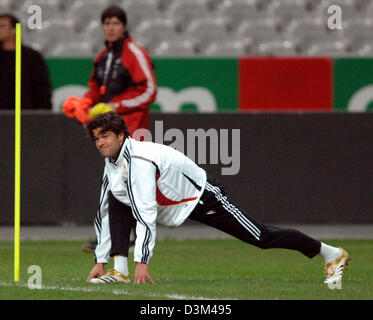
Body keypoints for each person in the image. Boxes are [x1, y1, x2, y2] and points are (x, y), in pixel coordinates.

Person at [85, 112, 351, 286]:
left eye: (105, 136)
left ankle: (332, 253)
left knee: (261, 237)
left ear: (121, 135)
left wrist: (143, 262)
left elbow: (145, 213)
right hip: (174, 202)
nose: (100, 143)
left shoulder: (139, 160)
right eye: (96, 138)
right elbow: (103, 210)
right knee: (117, 199)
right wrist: (101, 259)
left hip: (203, 196)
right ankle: (119, 271)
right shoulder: (114, 161)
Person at [62, 5, 157, 254]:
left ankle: (131, 237)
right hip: (111, 132)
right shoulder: (103, 58)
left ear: (124, 26)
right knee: (117, 184)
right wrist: (83, 103)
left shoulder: (134, 53)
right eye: (107, 23)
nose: (111, 27)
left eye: (115, 23)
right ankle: (114, 238)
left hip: (132, 131)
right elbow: (96, 90)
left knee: (130, 184)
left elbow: (148, 90)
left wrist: (114, 105)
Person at [0, 13, 52, 109]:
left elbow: (42, 88)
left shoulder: (32, 57)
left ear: (14, 30)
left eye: (2, 26)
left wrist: (44, 113)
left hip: (26, 114)